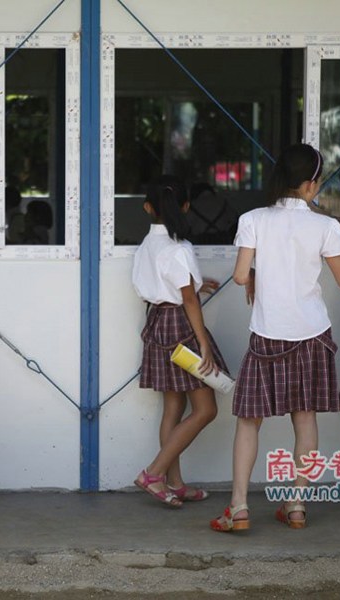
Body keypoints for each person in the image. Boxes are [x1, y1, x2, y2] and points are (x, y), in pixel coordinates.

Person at [210, 144, 340, 532]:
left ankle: (239, 507)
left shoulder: (253, 219)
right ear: (311, 184)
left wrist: (262, 274)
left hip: (268, 333)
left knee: (249, 421)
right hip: (312, 333)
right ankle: (296, 506)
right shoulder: (326, 227)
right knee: (305, 418)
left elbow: (242, 276)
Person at [131, 174, 229, 507]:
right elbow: (188, 301)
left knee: (174, 406)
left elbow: (166, 285)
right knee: (206, 409)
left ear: (147, 208)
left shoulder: (147, 245)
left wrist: (194, 285)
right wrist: (202, 343)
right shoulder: (179, 248)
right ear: (186, 206)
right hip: (181, 326)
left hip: (157, 322)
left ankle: (174, 483)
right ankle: (154, 474)